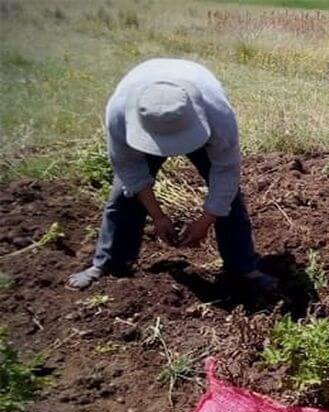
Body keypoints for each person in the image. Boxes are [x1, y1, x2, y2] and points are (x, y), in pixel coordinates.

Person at [67, 58, 276, 291]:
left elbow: (225, 172)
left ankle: (243, 267)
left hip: (200, 119)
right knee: (123, 196)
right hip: (144, 126)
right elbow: (130, 170)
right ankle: (108, 264)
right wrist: (157, 216)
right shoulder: (120, 113)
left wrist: (206, 220)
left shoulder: (217, 114)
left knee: (228, 197)